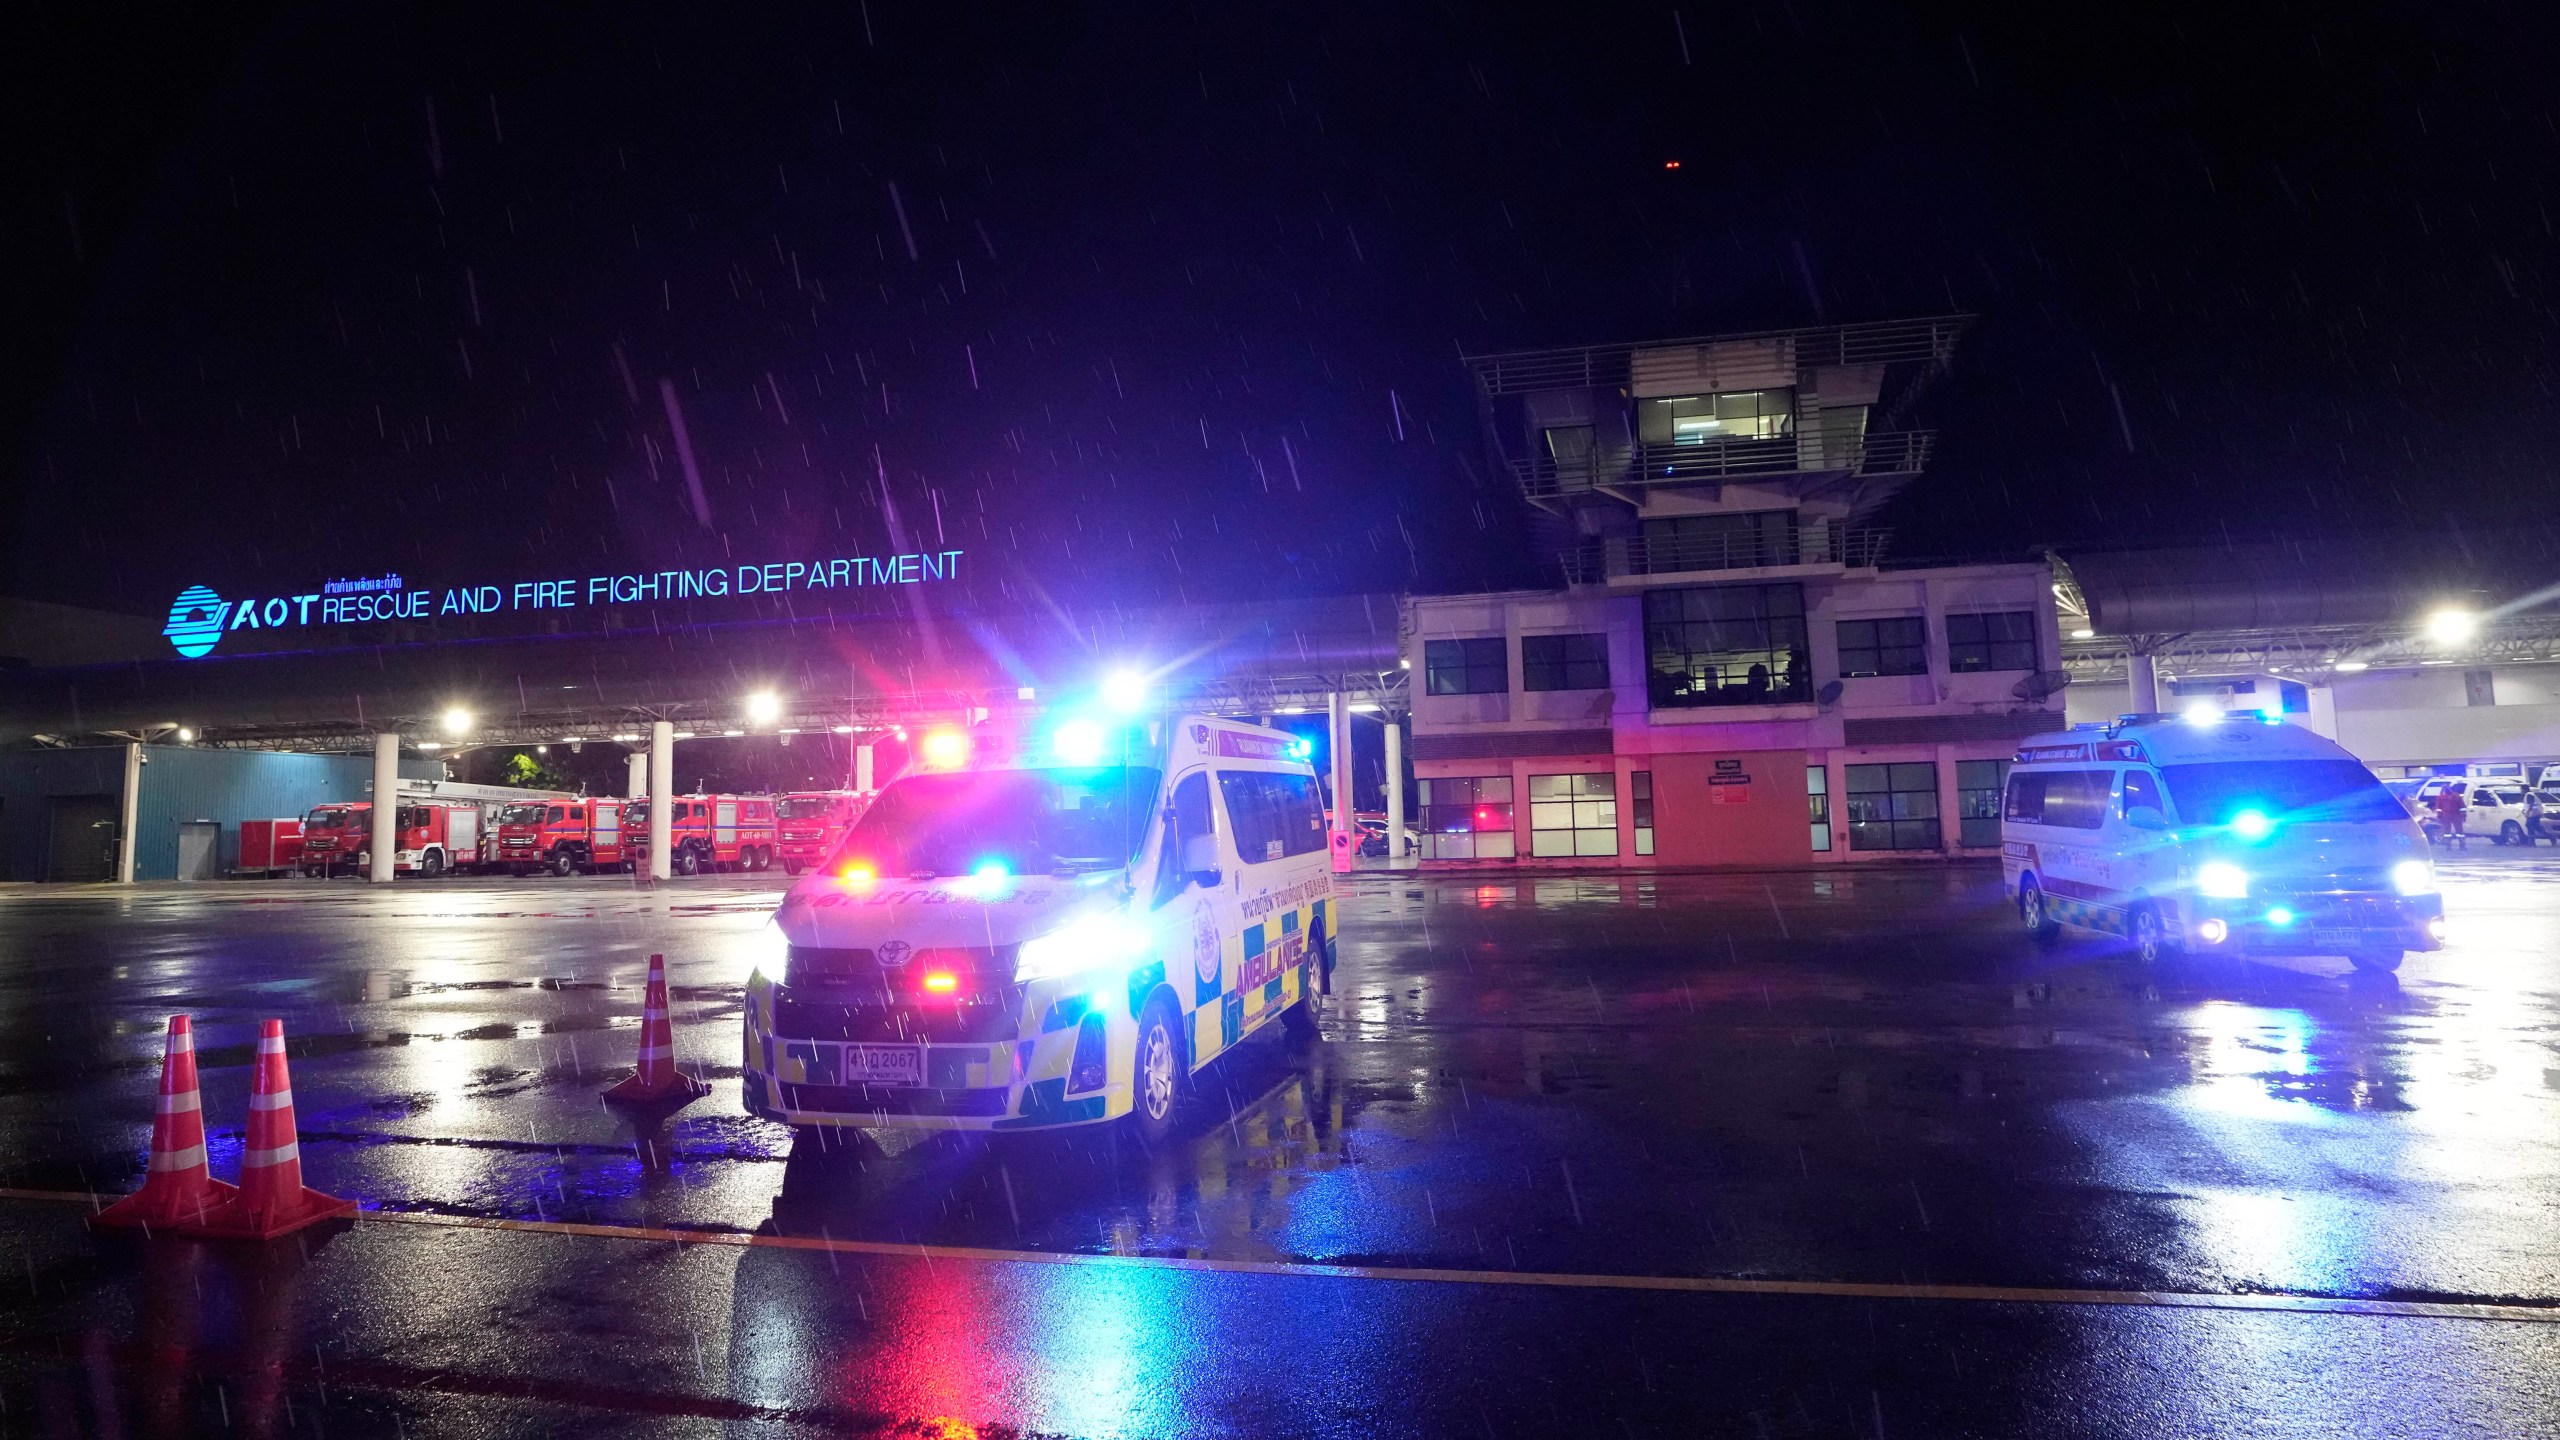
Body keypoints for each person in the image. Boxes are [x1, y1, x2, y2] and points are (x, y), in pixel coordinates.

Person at [2430, 784, 2468, 850]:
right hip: (2451, 816)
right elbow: (2439, 808)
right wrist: (2463, 816)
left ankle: (2459, 845)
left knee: (2456, 831)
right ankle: (2451, 846)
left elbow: (2462, 807)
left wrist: (2439, 816)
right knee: (2449, 832)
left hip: (2452, 816)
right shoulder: (2453, 796)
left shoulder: (2445, 797)